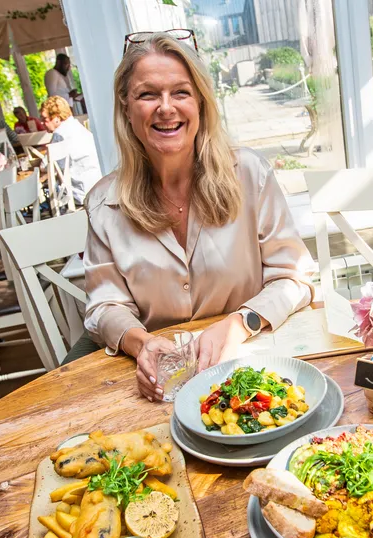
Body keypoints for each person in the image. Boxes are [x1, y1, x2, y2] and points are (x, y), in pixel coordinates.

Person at [81, 33, 314, 400]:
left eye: (181, 92)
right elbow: (104, 307)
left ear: (201, 104)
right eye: (147, 94)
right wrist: (141, 343)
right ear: (126, 107)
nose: (166, 107)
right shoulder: (103, 204)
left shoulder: (249, 174)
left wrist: (241, 323)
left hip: (254, 371)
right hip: (163, 384)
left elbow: (294, 278)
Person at [41, 95, 101, 205]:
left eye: (45, 119)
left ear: (57, 118)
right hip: (97, 186)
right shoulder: (76, 126)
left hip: (79, 193)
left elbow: (44, 166)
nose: (42, 123)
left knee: (45, 197)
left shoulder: (60, 134)